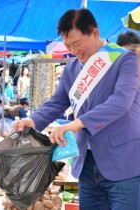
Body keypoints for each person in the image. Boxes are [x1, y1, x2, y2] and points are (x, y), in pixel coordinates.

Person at [13, 9, 140, 210]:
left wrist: (76, 124)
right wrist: (33, 120)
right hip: (86, 163)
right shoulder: (72, 68)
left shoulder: (124, 60)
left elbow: (121, 101)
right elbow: (57, 102)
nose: (73, 50)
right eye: (68, 45)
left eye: (77, 43)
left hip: (123, 160)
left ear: (95, 32)